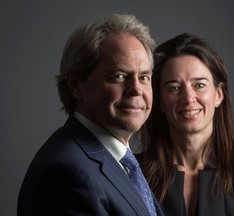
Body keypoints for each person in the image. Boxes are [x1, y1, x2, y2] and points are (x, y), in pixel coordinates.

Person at [17, 14, 164, 216]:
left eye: (144, 77)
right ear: (76, 85)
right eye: (119, 76)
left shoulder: (122, 162)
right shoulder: (66, 174)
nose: (136, 90)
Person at [139, 33, 234, 216]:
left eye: (199, 85)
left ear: (219, 95)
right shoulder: (135, 173)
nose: (188, 98)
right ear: (159, 101)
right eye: (174, 88)